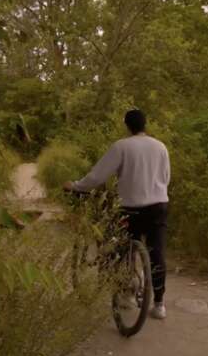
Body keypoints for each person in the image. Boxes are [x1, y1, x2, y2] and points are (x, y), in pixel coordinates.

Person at [63, 109, 170, 319]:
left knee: (121, 248)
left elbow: (97, 176)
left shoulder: (121, 146)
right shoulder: (160, 146)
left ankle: (126, 294)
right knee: (157, 251)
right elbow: (165, 177)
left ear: (127, 125)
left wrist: (76, 186)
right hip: (159, 205)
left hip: (130, 208)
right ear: (145, 124)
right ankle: (159, 304)